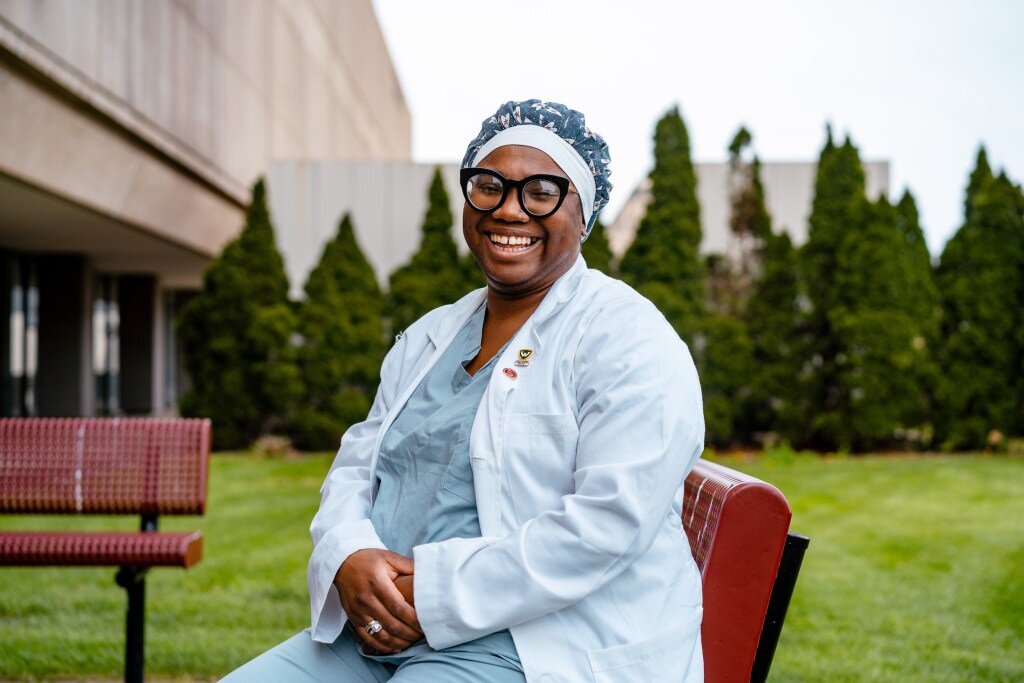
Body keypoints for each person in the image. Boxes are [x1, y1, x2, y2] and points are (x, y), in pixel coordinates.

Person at [223, 99, 705, 682]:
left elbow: (608, 523)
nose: (509, 209)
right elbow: (358, 463)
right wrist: (348, 554)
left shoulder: (627, 336)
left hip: (532, 644)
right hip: (379, 632)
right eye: (488, 186)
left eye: (542, 192)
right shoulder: (431, 335)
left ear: (585, 215)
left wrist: (429, 593)